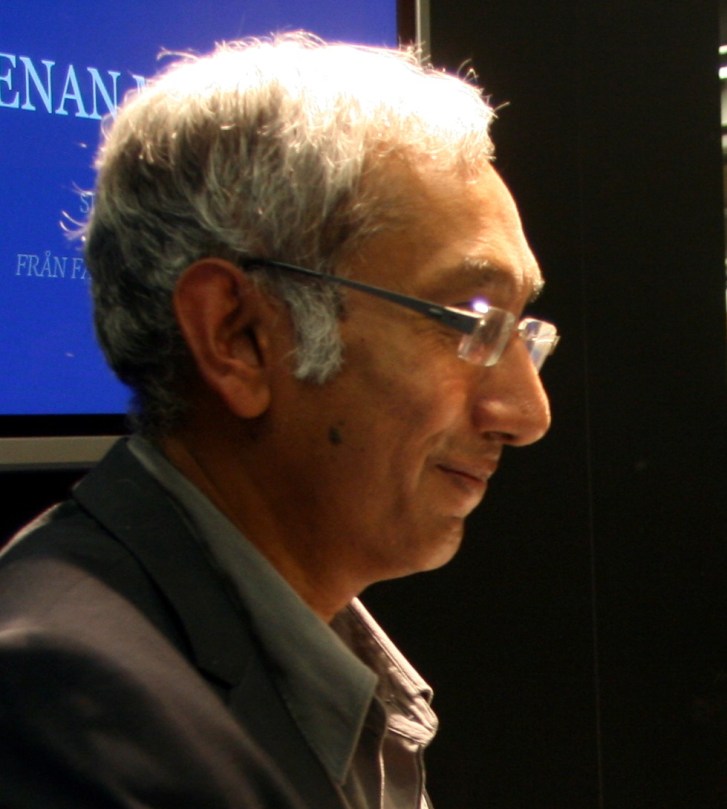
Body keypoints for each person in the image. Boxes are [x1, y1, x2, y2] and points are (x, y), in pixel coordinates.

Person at [0, 33, 558, 808]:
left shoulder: (287, 657)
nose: (527, 413)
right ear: (238, 336)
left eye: (520, 332)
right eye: (468, 321)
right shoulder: (64, 710)